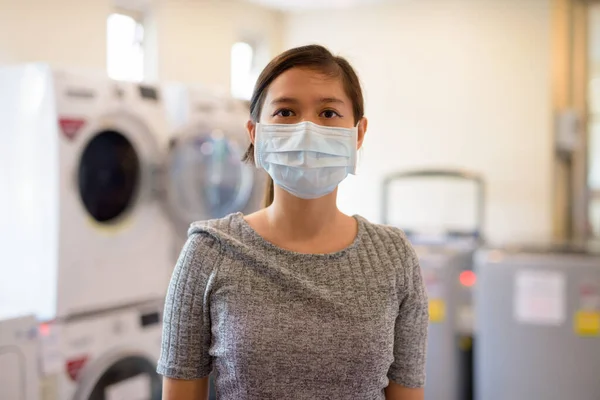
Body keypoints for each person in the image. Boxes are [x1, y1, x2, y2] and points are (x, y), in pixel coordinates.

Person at [157, 44, 429, 400]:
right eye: (285, 112)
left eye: (329, 113)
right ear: (255, 133)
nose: (306, 130)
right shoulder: (208, 252)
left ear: (358, 134)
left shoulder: (394, 258)